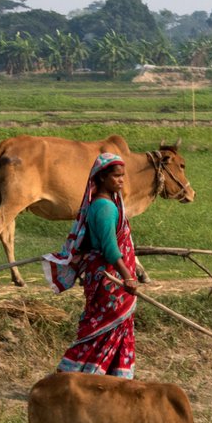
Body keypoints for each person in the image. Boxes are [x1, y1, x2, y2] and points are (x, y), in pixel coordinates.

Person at [42, 153, 141, 378]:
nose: (121, 180)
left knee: (104, 326)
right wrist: (127, 276)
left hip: (101, 275)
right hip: (111, 279)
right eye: (116, 176)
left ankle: (109, 377)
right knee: (103, 327)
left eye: (123, 176)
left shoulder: (97, 203)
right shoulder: (105, 208)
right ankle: (77, 375)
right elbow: (109, 247)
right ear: (102, 177)